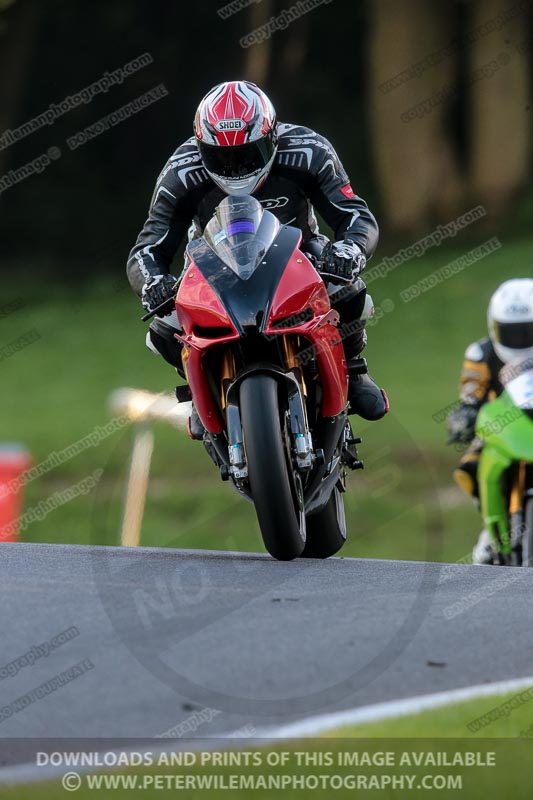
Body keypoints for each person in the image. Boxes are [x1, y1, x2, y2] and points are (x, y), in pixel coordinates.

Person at [127, 80, 388, 437]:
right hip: (211, 264)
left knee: (350, 290)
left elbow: (356, 216)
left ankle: (354, 369)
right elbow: (147, 249)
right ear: (201, 146)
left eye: (248, 154)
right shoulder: (180, 172)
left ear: (273, 137)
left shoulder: (309, 151)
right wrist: (153, 283)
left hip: (298, 252)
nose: (235, 168)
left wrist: (348, 252)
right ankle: (199, 391)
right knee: (163, 330)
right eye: (221, 157)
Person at [447, 278, 533, 563]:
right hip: (501, 431)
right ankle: (490, 527)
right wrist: (465, 414)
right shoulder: (481, 354)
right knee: (471, 465)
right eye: (512, 332)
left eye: (528, 332)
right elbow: (471, 394)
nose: (520, 340)